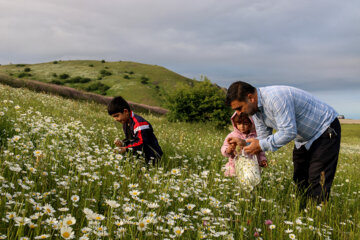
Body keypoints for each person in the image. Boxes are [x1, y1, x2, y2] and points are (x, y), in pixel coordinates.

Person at [226, 81, 341, 204]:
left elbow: (288, 132)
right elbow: (263, 137)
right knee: (300, 177)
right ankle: (302, 213)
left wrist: (260, 145)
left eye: (239, 108)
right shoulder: (255, 111)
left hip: (324, 129)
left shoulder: (276, 98)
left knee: (317, 180)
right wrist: (244, 144)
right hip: (302, 138)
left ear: (250, 98)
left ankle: (317, 216)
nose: (238, 113)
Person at [108, 96, 163, 165]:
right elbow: (132, 140)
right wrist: (122, 143)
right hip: (141, 156)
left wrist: (126, 148)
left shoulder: (139, 123)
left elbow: (141, 142)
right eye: (113, 117)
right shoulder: (126, 123)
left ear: (125, 111)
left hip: (152, 156)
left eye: (116, 116)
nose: (115, 119)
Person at [221, 112, 267, 177]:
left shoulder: (255, 136)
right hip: (235, 167)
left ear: (251, 123)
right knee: (235, 183)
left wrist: (262, 160)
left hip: (252, 168)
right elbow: (224, 147)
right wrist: (228, 150)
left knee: (252, 182)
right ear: (235, 123)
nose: (242, 126)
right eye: (239, 123)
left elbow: (260, 150)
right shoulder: (232, 136)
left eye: (245, 123)